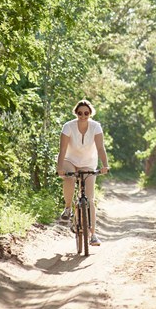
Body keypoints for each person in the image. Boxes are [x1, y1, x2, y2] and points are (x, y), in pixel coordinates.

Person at [56, 99, 109, 246]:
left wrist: (105, 165)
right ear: (76, 113)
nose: (83, 115)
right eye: (80, 113)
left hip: (88, 162)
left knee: (90, 199)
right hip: (70, 160)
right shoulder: (68, 126)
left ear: (90, 113)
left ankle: (93, 234)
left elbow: (100, 148)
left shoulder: (95, 127)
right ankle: (67, 208)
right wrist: (59, 168)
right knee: (70, 179)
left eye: (86, 113)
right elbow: (62, 150)